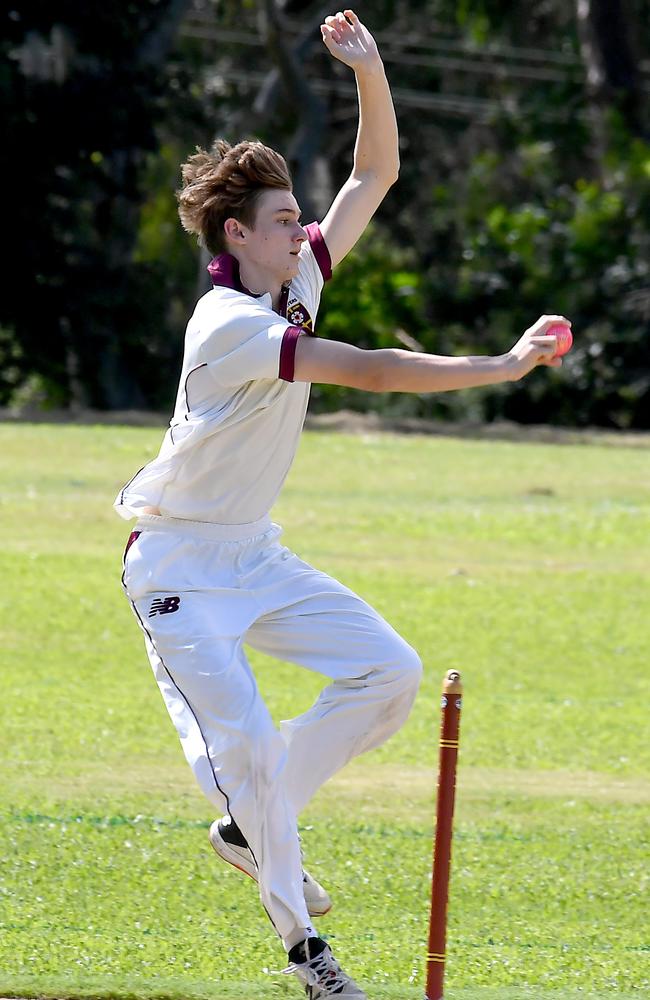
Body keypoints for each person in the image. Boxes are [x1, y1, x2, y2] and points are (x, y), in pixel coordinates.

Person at [116, 10, 569, 999]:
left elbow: (373, 175)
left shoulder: (295, 276)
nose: (301, 229)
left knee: (388, 673)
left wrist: (369, 68)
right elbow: (363, 370)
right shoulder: (228, 322)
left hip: (251, 551)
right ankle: (304, 951)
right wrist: (495, 365)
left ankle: (250, 823)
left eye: (295, 221)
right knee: (238, 742)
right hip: (178, 565)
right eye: (282, 221)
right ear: (237, 236)